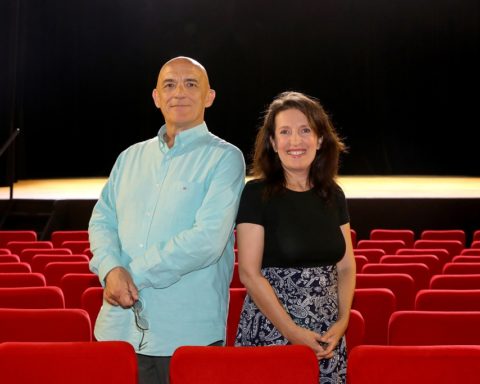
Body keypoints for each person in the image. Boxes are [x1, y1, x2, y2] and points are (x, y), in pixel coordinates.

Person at [88, 56, 245, 384]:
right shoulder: (130, 157)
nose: (179, 93)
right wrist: (110, 269)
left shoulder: (225, 158)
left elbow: (207, 239)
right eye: (169, 85)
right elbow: (102, 221)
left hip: (186, 335)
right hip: (116, 331)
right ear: (156, 97)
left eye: (191, 84)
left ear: (209, 97)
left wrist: (130, 274)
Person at [234, 91, 356, 383]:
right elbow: (249, 275)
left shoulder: (333, 194)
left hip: (328, 335)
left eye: (305, 130)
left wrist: (343, 320)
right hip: (272, 330)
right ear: (274, 143)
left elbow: (346, 266)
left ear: (320, 139)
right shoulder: (256, 194)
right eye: (285, 132)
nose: (296, 141)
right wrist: (292, 333)